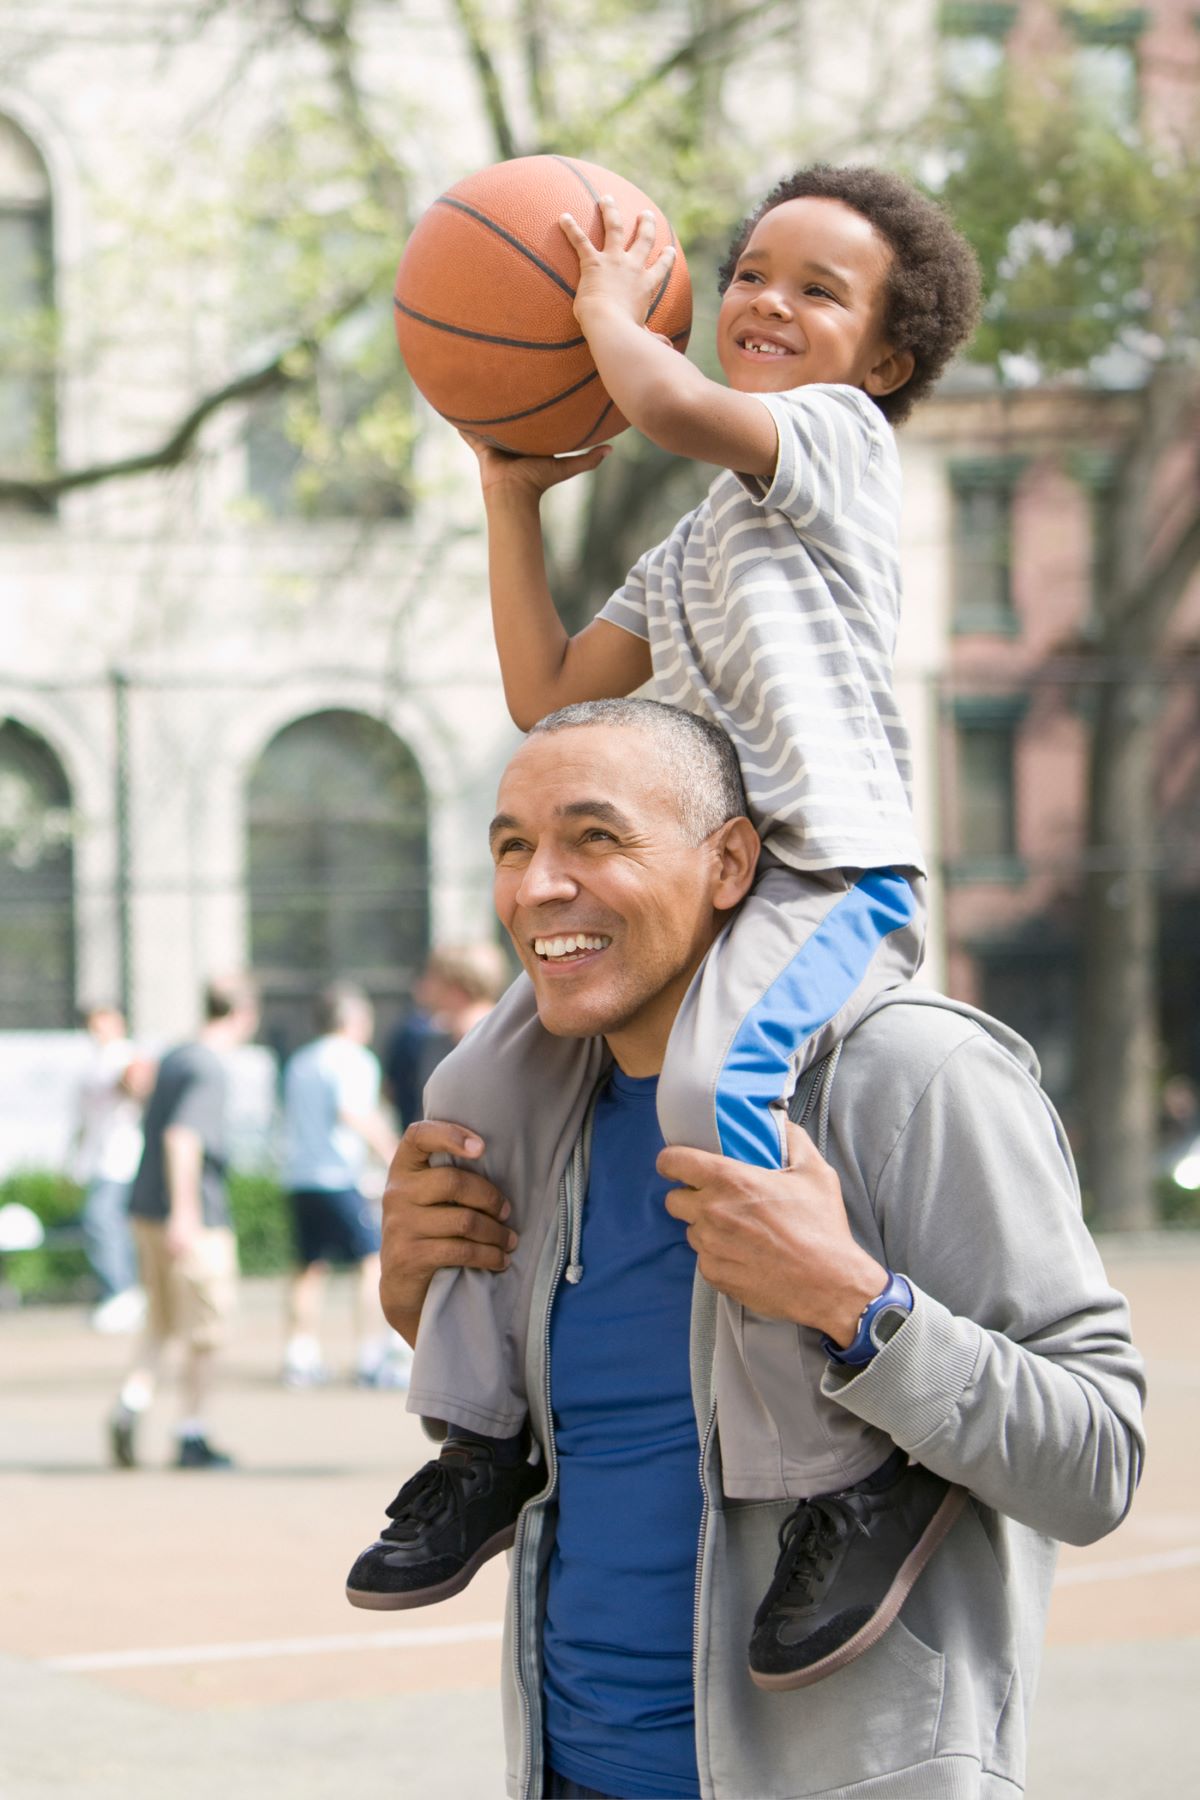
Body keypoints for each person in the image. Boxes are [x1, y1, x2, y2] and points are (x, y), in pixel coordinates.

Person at [349, 165, 984, 1634]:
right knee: (473, 1090)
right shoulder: (706, 532)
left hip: (833, 867)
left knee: (711, 1092)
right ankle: (480, 1440)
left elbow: (672, 404)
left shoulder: (836, 443)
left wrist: (601, 313)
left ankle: (844, 1473)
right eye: (752, 271)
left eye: (818, 291)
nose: (766, 301)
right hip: (716, 882)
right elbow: (547, 687)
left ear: (883, 362)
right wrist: (506, 491)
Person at [366, 704, 1145, 1800]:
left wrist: (861, 1308)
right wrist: (419, 1304)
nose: (538, 885)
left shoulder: (912, 1077)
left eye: (595, 838)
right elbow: (624, 1420)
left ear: (730, 861)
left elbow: (1097, 1460)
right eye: (512, 846)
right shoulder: (540, 1115)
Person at [108, 974, 260, 1471]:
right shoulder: (209, 1067)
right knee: (206, 1328)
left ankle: (130, 1404)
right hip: (192, 1214)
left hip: (144, 1207)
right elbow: (182, 1138)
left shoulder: (176, 1055)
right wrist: (187, 1214)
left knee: (161, 1321)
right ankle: (191, 1431)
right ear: (243, 1012)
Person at [281, 982, 404, 1389]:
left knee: (307, 1268)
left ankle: (300, 1354)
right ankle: (369, 1355)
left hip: (300, 1176)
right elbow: (353, 1112)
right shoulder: (354, 1059)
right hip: (340, 1177)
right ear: (353, 1020)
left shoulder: (300, 1062)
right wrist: (393, 1152)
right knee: (369, 1264)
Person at [69, 1003, 155, 1333]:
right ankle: (125, 1292)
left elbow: (136, 1080)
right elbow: (82, 1122)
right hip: (100, 1159)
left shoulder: (124, 1055)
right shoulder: (91, 1063)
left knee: (103, 1221)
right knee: (113, 1225)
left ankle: (123, 1292)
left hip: (124, 1159)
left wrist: (133, 1079)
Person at [383, 944, 510, 1130]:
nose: (424, 985)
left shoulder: (491, 1040)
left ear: (455, 985)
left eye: (431, 978)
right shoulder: (437, 1040)